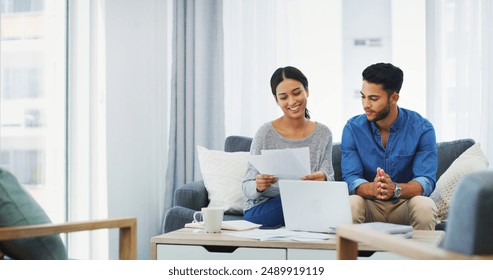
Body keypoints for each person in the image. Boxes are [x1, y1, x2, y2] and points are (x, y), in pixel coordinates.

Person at [341, 62, 438, 230]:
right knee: (351, 204)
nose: (365, 105)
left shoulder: (422, 128)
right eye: (363, 96)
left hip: (404, 204)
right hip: (370, 205)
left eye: (373, 98)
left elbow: (426, 180)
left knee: (425, 206)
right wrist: (373, 188)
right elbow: (351, 178)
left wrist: (395, 189)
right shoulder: (352, 128)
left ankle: (421, 256)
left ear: (394, 98)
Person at [242, 66, 335, 227]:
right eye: (284, 97)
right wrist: (258, 186)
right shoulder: (265, 133)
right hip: (265, 208)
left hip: (308, 202)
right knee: (303, 203)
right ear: (276, 100)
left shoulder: (323, 133)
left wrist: (323, 178)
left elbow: (330, 180)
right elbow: (247, 187)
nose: (292, 101)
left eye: (297, 93)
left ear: (307, 91)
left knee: (325, 204)